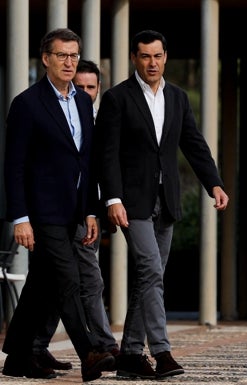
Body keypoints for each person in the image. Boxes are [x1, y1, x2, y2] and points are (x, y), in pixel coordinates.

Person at [94, 29, 228, 379]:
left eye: (157, 55)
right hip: (131, 203)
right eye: (144, 56)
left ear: (165, 57)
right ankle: (163, 351)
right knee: (151, 270)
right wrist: (113, 198)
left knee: (148, 276)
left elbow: (194, 144)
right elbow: (106, 155)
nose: (151, 62)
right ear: (134, 59)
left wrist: (213, 183)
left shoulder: (179, 98)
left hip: (165, 200)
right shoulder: (117, 98)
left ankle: (130, 355)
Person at [2, 28, 116, 382]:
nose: (69, 62)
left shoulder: (83, 102)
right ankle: (90, 353)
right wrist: (20, 218)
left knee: (42, 284)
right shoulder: (27, 104)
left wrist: (91, 210)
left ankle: (19, 357)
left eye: (73, 55)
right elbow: (14, 165)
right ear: (46, 59)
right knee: (67, 280)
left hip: (74, 210)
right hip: (41, 211)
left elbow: (87, 162)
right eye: (62, 55)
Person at [30, 59, 120, 373]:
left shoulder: (94, 117)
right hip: (53, 212)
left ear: (98, 89)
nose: (84, 91)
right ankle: (96, 348)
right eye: (79, 85)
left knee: (51, 282)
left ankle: (29, 350)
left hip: (85, 213)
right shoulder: (42, 107)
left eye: (90, 87)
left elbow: (99, 168)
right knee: (73, 279)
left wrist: (98, 210)